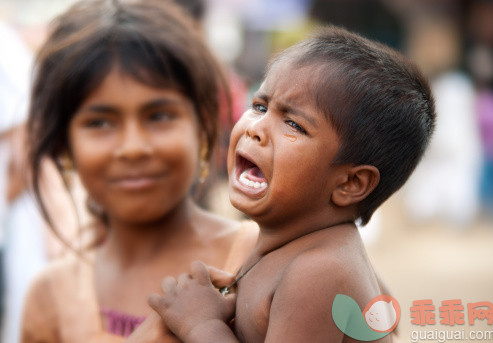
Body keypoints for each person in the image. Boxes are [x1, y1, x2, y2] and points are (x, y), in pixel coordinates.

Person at [148, 26, 436, 342]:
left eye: (294, 123)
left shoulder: (320, 271)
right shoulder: (297, 245)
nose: (255, 129)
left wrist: (201, 324)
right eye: (259, 106)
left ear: (351, 183)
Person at [20, 0, 259, 342]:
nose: (133, 147)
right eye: (100, 122)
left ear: (204, 124)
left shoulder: (260, 259)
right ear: (63, 144)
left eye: (159, 115)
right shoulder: (51, 296)